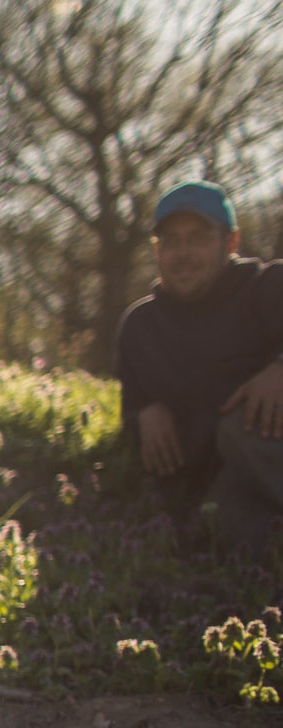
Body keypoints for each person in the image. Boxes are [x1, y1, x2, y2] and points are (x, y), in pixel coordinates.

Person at [117, 180, 283, 552]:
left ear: (231, 243)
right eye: (171, 241)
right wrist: (145, 411)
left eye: (198, 238)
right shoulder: (140, 326)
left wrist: (280, 367)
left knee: (241, 425)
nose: (183, 252)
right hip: (220, 484)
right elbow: (131, 409)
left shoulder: (269, 286)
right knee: (224, 533)